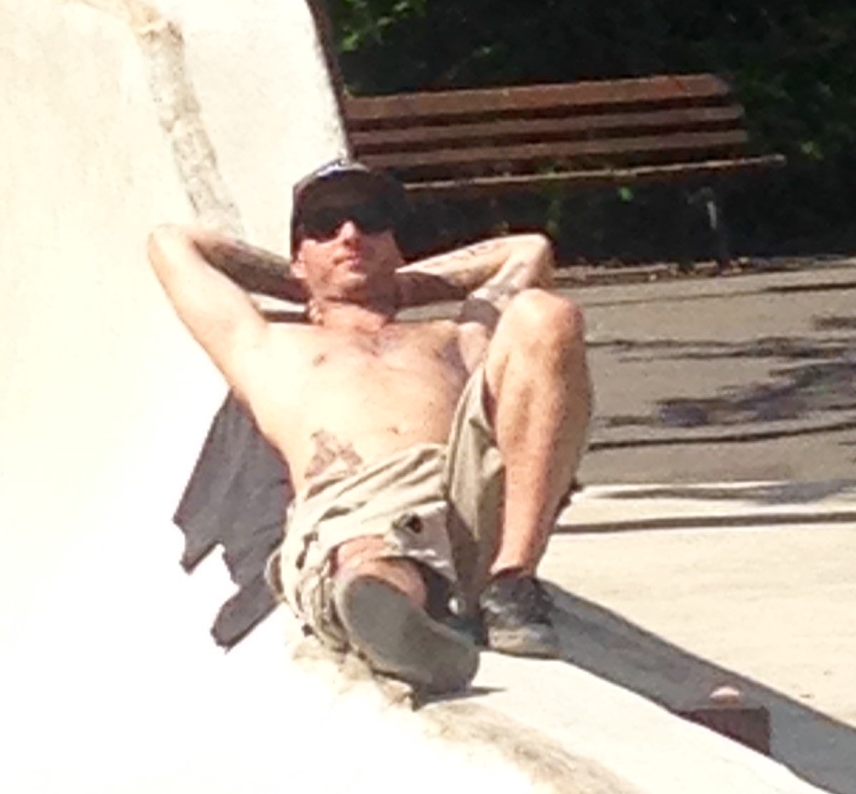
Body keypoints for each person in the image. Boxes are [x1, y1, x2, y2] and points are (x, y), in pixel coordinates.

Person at [148, 158, 592, 696]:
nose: (350, 234)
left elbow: (528, 250)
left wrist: (394, 286)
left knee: (546, 314)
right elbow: (173, 243)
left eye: (371, 219)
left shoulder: (454, 336)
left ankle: (512, 581)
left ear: (397, 246)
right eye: (325, 224)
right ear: (298, 255)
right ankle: (394, 622)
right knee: (369, 559)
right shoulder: (265, 345)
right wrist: (311, 284)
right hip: (359, 501)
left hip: (466, 493)